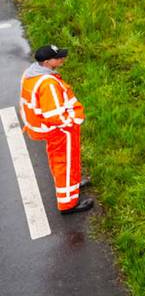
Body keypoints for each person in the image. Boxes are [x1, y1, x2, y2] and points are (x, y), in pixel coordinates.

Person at [19, 44, 93, 214]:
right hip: (60, 130)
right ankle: (68, 204)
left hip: (50, 129)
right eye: (58, 57)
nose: (62, 59)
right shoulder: (48, 84)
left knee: (64, 160)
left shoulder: (32, 74)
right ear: (46, 62)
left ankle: (73, 183)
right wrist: (72, 122)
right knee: (64, 163)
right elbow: (54, 115)